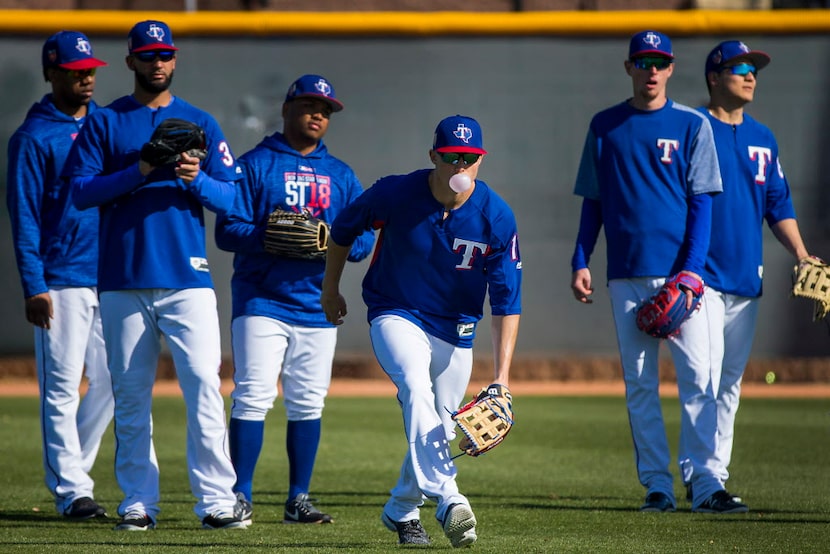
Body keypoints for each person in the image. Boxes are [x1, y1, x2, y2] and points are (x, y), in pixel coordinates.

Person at [62, 20, 246, 531]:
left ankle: (216, 499)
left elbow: (234, 199)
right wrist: (139, 171)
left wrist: (196, 179)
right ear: (130, 62)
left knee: (204, 387)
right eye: (147, 55)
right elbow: (80, 192)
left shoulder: (200, 121)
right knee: (130, 394)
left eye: (164, 54)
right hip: (122, 277)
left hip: (187, 278)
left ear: (175, 59)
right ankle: (138, 500)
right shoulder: (105, 122)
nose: (157, 63)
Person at [320, 114, 522, 547]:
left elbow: (508, 303)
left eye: (470, 159)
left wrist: (502, 379)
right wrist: (330, 289)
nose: (460, 167)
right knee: (415, 388)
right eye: (451, 157)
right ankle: (449, 498)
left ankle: (401, 510)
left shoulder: (496, 217)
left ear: (480, 162)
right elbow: (342, 229)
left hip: (455, 330)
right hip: (396, 311)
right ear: (434, 156)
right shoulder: (396, 192)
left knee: (441, 425)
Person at [569, 30, 748, 514]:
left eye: (660, 62)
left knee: (699, 380)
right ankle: (657, 485)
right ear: (629, 67)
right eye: (643, 61)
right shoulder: (605, 126)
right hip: (626, 273)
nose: (651, 70)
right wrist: (581, 258)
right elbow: (594, 202)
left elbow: (703, 205)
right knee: (641, 384)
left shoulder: (692, 125)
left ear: (670, 69)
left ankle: (707, 482)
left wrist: (690, 274)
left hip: (687, 281)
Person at [214, 74, 375, 525]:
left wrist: (328, 244)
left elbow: (362, 244)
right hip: (261, 300)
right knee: (253, 396)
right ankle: (239, 495)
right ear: (286, 109)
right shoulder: (254, 164)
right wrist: (270, 236)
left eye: (326, 109)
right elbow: (227, 230)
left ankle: (297, 499)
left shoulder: (341, 175)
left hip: (317, 304)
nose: (318, 114)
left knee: (308, 402)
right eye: (309, 105)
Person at [677, 40, 813, 504]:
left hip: (744, 278)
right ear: (714, 77)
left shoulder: (763, 138)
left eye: (754, 68)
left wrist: (802, 254)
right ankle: (703, 481)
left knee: (729, 383)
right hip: (698, 278)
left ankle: (713, 475)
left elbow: (779, 205)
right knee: (702, 376)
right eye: (739, 67)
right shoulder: (692, 127)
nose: (750, 75)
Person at [6, 30, 113, 521]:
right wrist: (35, 284)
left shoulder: (106, 126)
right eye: (74, 71)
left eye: (89, 69)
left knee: (116, 380)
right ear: (52, 73)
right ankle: (71, 490)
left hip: (110, 275)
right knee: (62, 386)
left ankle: (78, 470)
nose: (85, 78)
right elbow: (24, 216)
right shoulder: (33, 137)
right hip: (61, 277)